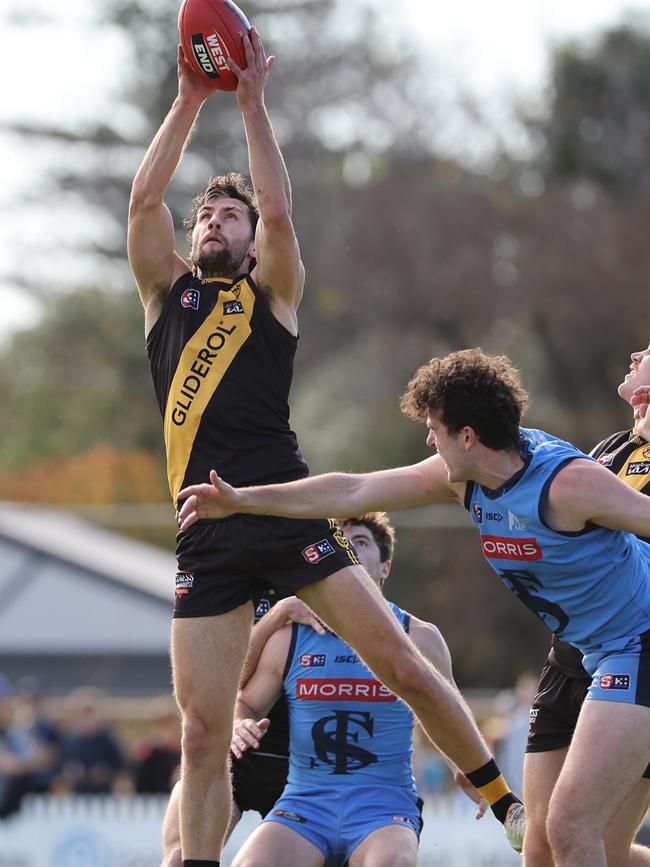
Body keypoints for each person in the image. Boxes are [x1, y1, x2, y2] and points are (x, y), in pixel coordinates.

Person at [128, 25, 519, 867]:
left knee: (403, 663)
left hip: (285, 507)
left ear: (249, 239)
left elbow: (278, 208)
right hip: (206, 524)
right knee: (202, 730)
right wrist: (192, 100)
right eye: (205, 212)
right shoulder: (168, 297)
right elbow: (140, 206)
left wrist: (253, 104)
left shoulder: (272, 294)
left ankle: (503, 801)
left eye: (226, 214)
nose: (212, 220)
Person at [178, 347, 650, 867]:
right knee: (537, 846)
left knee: (570, 827)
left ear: (467, 437)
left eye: (434, 429)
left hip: (637, 644)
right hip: (582, 652)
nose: (429, 440)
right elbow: (353, 489)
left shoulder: (569, 484)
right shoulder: (464, 477)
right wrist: (243, 500)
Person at [230, 512, 487, 867]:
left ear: (386, 568)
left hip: (384, 808)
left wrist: (473, 772)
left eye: (361, 543)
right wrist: (239, 723)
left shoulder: (420, 637)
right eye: (341, 543)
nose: (348, 548)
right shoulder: (291, 638)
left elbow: (449, 713)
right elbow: (245, 702)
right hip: (305, 805)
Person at [523, 340, 650, 867]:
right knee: (540, 846)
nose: (636, 352)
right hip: (569, 658)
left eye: (648, 351)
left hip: (635, 655)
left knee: (590, 842)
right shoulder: (611, 449)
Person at [160, 593, 326, 867]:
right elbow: (225, 674)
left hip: (304, 768)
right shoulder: (235, 580)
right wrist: (278, 615)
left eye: (365, 545)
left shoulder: (326, 581)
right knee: (180, 857)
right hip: (232, 752)